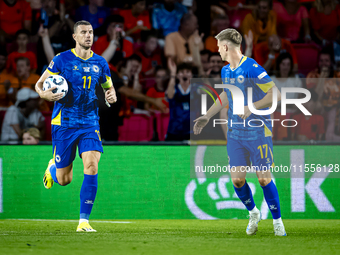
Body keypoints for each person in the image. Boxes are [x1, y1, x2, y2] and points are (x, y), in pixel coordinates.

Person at [193, 28, 286, 236]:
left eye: (218, 47)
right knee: (237, 180)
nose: (217, 51)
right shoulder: (226, 71)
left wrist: (251, 107)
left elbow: (276, 94)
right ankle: (253, 213)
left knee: (263, 179)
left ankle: (277, 221)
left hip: (258, 132)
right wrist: (207, 115)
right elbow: (226, 95)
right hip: (236, 133)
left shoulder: (252, 67)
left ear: (226, 46)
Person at [35, 20, 117, 232]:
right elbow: (39, 83)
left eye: (90, 32)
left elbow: (109, 87)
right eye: (83, 32)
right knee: (65, 179)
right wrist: (44, 93)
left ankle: (83, 221)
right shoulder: (61, 60)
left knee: (91, 165)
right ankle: (53, 168)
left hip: (90, 122)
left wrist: (111, 94)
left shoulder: (100, 63)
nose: (88, 36)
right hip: (64, 123)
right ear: (75, 36)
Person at [165, 60, 192, 141]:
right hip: (174, 131)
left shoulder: (196, 89)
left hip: (191, 131)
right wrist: (173, 74)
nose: (184, 74)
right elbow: (170, 95)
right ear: (177, 76)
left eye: (187, 72)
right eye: (181, 72)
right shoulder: (174, 88)